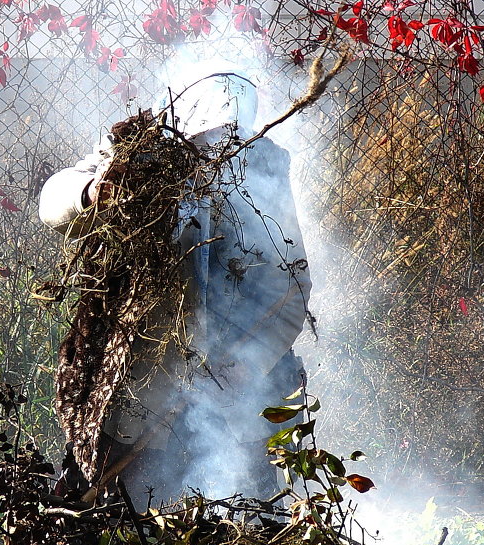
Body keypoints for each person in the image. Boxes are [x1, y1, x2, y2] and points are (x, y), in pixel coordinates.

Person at [40, 70, 311, 503]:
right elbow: (54, 199)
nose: (220, 145)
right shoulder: (138, 152)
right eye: (212, 132)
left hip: (230, 392)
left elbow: (290, 287)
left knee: (243, 511)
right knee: (119, 509)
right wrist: (93, 193)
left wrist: (247, 362)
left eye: (231, 134)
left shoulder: (262, 171)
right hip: (139, 375)